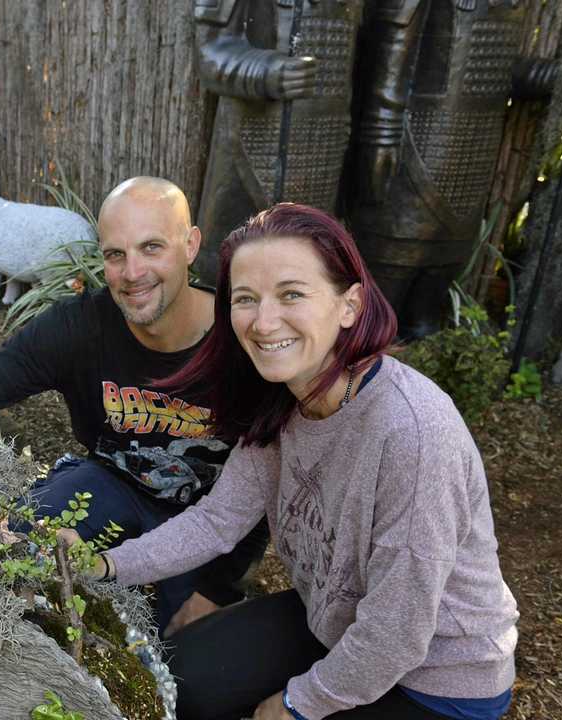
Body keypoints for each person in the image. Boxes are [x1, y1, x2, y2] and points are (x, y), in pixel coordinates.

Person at [77, 204, 519, 719]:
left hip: (437, 679)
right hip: (334, 622)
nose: (264, 323)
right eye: (246, 299)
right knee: (179, 684)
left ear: (349, 305)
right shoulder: (285, 399)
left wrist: (295, 704)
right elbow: (218, 521)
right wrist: (106, 564)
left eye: (291, 294)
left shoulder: (412, 432)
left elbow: (396, 635)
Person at [0, 176, 269, 634]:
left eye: (152, 248)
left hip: (205, 521)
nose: (133, 272)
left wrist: (216, 592)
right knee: (10, 555)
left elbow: (266, 489)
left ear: (190, 245)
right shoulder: (80, 327)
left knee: (183, 662)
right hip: (108, 484)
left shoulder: (243, 341)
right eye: (115, 254)